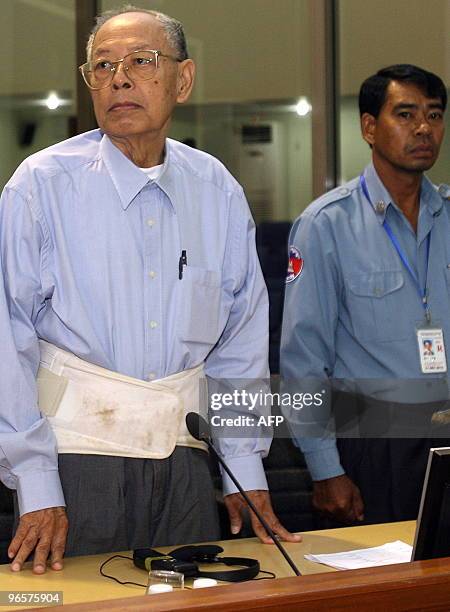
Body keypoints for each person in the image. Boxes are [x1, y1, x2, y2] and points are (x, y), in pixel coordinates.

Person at [0, 6, 300, 575]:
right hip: (76, 462)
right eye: (103, 66)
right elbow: (5, 339)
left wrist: (245, 467)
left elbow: (240, 345)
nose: (119, 78)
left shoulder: (217, 189)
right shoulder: (41, 186)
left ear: (182, 80)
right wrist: (35, 481)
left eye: (142, 61)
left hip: (188, 461)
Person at [280, 64, 450, 526]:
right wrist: (325, 468)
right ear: (370, 128)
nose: (423, 128)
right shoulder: (326, 226)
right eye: (406, 114)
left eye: (434, 116)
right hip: (376, 446)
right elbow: (303, 361)